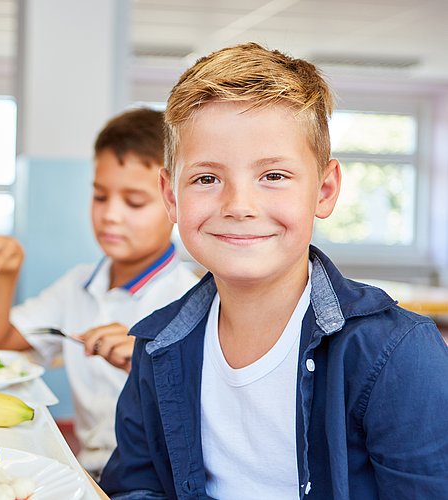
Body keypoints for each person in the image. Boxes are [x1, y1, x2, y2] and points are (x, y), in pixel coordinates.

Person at [100, 43, 448, 499]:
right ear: (171, 196)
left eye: (274, 176)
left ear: (324, 190)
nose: (239, 206)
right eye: (207, 178)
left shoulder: (398, 354)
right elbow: (136, 486)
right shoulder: (157, 345)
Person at [0, 108, 199, 476]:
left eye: (135, 202)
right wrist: (5, 275)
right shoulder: (77, 285)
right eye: (100, 196)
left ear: (174, 202)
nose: (111, 215)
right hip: (88, 471)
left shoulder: (193, 301)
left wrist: (145, 366)